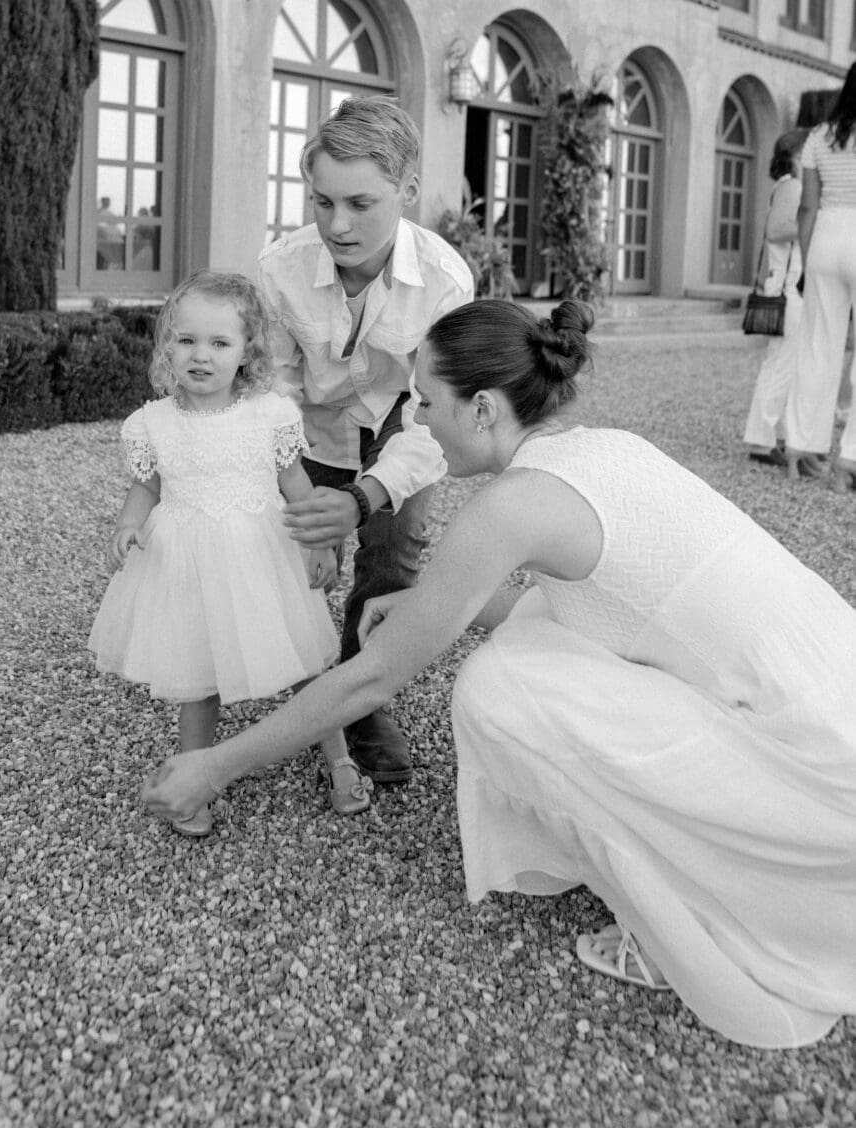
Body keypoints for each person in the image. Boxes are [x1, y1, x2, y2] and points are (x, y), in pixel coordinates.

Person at [143, 297, 856, 1048]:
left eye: (425, 401)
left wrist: (214, 765)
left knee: (500, 688)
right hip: (830, 700)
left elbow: (371, 679)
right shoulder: (607, 448)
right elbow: (604, 610)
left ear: (482, 408)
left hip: (815, 775)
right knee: (526, 648)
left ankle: (691, 915)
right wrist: (431, 601)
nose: (417, 421)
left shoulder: (514, 503)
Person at [88, 270, 371, 837]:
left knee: (303, 662)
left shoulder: (269, 413)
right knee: (198, 674)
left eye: (220, 343)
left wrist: (319, 541)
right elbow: (147, 488)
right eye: (187, 340)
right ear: (167, 345)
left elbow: (296, 484)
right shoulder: (152, 423)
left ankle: (338, 758)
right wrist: (127, 527)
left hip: (263, 559)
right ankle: (195, 777)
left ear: (247, 351)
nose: (201, 355)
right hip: (189, 565)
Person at [257, 97, 474, 784]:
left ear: (407, 191)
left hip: (404, 422)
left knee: (393, 552)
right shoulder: (280, 268)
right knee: (293, 556)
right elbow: (272, 395)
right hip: (309, 428)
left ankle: (361, 696)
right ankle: (303, 677)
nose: (336, 225)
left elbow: (435, 418)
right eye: (322, 202)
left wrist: (363, 499)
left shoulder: (445, 282)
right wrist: (303, 498)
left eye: (360, 203)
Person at [784, 59, 856, 490]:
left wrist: (810, 262)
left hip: (827, 235)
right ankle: (847, 462)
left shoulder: (819, 136)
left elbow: (807, 206)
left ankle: (799, 448)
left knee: (816, 347)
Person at [741, 129, 805, 465]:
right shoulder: (792, 186)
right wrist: (813, 221)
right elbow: (777, 231)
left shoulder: (786, 186)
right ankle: (762, 440)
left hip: (783, 287)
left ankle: (772, 437)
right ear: (796, 155)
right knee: (780, 366)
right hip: (786, 290)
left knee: (782, 365)